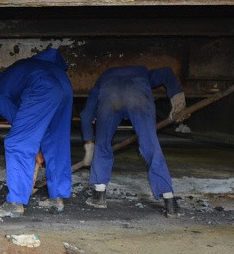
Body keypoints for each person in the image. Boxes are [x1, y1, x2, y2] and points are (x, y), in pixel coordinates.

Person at [79, 65, 189, 217]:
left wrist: (89, 146)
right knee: (151, 145)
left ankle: (99, 195)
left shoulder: (103, 78)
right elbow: (166, 73)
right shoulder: (143, 72)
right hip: (137, 93)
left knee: (102, 143)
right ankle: (170, 202)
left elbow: (86, 116)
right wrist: (178, 104)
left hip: (110, 93)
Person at [0, 47, 74, 217]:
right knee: (56, 140)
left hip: (43, 86)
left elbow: (20, 127)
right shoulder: (18, 72)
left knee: (16, 142)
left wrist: (35, 150)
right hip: (63, 84)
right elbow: (53, 53)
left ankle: (15, 202)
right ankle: (57, 197)